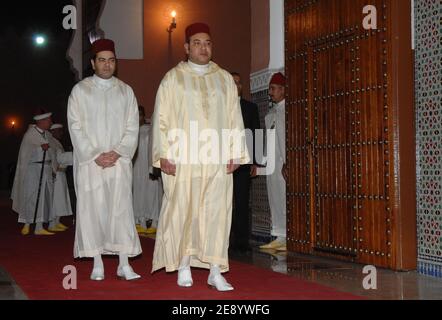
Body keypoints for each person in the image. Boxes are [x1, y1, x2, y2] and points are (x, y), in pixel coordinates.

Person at [151, 23, 249, 291]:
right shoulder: (173, 78)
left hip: (217, 158)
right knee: (185, 210)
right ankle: (184, 264)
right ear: (186, 47)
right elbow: (161, 118)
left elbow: (234, 117)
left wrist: (237, 152)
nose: (203, 47)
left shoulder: (224, 78)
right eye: (197, 43)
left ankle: (215, 270)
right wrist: (163, 155)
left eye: (207, 43)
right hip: (184, 158)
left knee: (217, 212)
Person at [67, 38, 142, 281]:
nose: (107, 65)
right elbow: (75, 126)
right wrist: (94, 154)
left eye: (111, 60)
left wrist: (118, 152)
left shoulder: (126, 91)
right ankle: (97, 261)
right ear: (93, 63)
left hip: (119, 162)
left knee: (120, 210)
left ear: (115, 63)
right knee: (93, 209)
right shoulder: (80, 91)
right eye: (102, 60)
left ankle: (123, 263)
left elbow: (133, 127)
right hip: (91, 164)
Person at [11, 108, 58, 236]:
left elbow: (52, 153)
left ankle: (39, 226)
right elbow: (26, 153)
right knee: (31, 196)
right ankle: (26, 223)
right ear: (41, 121)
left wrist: (54, 168)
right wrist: (39, 146)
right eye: (48, 120)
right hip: (33, 169)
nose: (50, 122)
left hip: (46, 169)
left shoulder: (48, 135)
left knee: (44, 197)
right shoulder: (30, 134)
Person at [230, 72, 260, 253]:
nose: (237, 85)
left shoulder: (250, 107)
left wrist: (256, 162)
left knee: (242, 202)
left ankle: (241, 241)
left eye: (239, 82)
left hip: (243, 163)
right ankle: (223, 241)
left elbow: (256, 134)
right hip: (223, 163)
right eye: (233, 82)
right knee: (224, 204)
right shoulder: (220, 108)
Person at [260, 72, 287, 251]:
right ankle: (279, 235)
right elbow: (268, 139)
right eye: (270, 88)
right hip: (271, 164)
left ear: (283, 90)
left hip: (282, 163)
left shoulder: (287, 110)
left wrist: (287, 162)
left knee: (284, 197)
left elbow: (286, 139)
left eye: (273, 88)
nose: (270, 92)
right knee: (274, 198)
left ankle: (286, 236)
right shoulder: (271, 113)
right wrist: (262, 162)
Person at [133, 106, 163, 235]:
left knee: (152, 192)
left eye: (140, 114)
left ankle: (154, 220)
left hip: (150, 168)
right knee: (139, 192)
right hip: (137, 169)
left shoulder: (150, 130)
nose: (138, 118)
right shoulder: (132, 132)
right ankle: (140, 220)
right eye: (136, 115)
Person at [48, 123, 73, 232]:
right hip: (56, 174)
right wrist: (75, 155)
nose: (61, 133)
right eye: (59, 131)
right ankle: (52, 223)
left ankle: (57, 221)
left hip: (61, 174)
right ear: (53, 132)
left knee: (61, 199)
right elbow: (58, 158)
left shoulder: (57, 143)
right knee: (56, 199)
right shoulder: (51, 142)